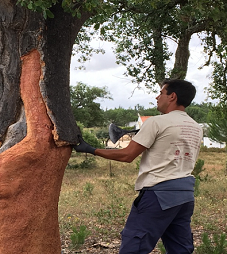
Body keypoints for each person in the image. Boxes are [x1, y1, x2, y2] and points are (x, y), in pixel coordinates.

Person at [74, 79, 203, 254]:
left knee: (134, 247)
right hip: (185, 195)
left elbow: (127, 155)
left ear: (172, 96)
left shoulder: (156, 122)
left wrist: (91, 149)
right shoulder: (196, 127)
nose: (157, 97)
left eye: (161, 93)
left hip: (159, 194)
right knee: (180, 249)